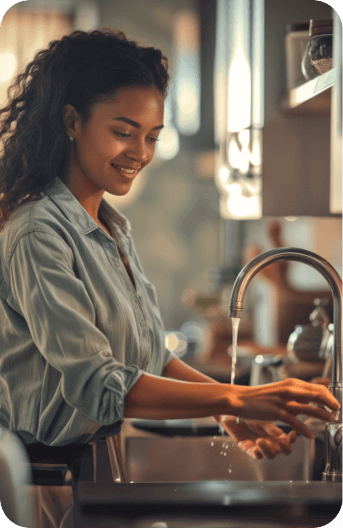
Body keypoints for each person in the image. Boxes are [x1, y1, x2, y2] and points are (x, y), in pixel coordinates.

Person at [0, 28, 340, 527]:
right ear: (72, 120)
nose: (140, 151)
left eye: (152, 136)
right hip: (45, 486)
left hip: (97, 473)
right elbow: (99, 385)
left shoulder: (110, 227)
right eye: (123, 131)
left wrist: (227, 412)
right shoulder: (38, 234)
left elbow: (151, 356)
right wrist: (239, 396)